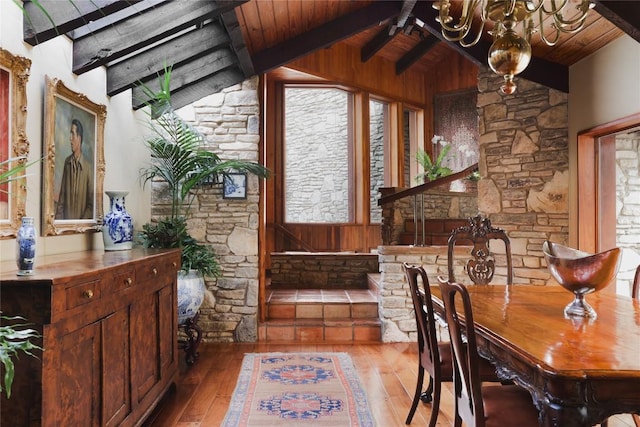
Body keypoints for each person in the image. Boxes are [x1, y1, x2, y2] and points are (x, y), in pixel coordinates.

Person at [55, 118, 93, 219]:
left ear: (79, 138)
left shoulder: (88, 168)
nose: (70, 138)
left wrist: (80, 224)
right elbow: (61, 200)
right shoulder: (67, 163)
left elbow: (91, 205)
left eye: (72, 134)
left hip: (81, 229)